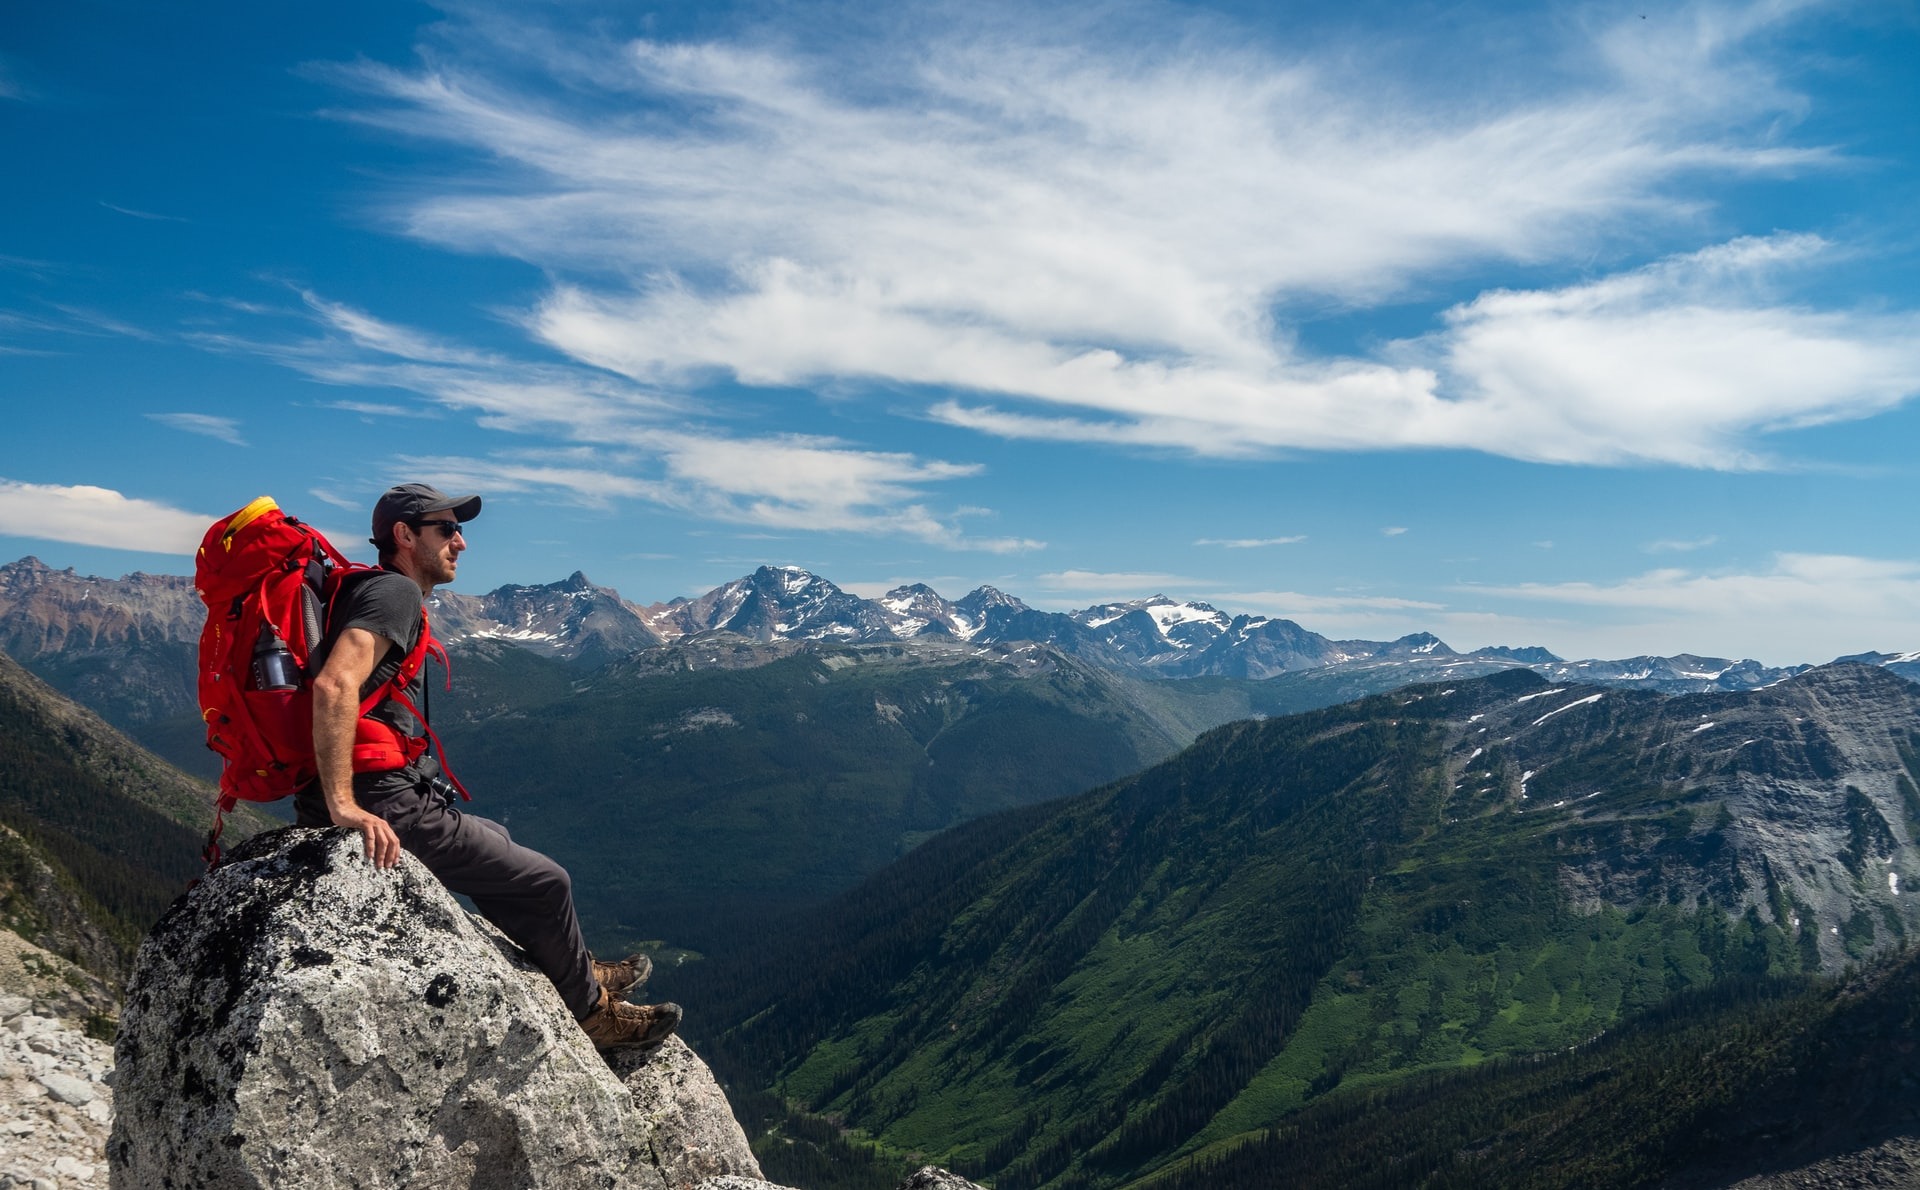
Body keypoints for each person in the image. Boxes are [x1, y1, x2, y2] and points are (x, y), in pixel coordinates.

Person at [294, 482, 680, 1052]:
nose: (462, 543)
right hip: (384, 801)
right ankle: (595, 1016)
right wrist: (342, 804)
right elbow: (334, 684)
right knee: (549, 881)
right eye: (446, 529)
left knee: (497, 840)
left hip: (387, 789)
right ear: (404, 536)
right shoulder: (395, 593)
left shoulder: (377, 589)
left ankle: (575, 963)